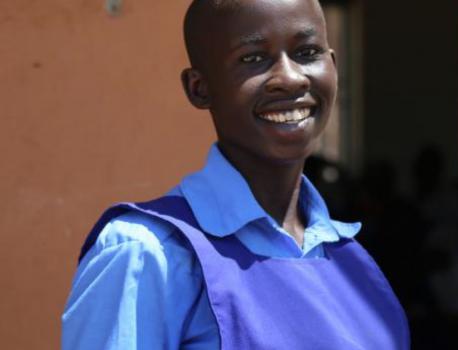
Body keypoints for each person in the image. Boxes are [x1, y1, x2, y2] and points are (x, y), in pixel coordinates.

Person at [61, 0, 410, 348]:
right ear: (200, 88)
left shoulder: (347, 259)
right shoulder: (149, 254)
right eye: (252, 58)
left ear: (332, 66)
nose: (289, 78)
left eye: (307, 52)